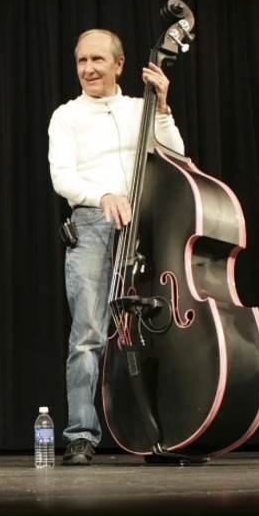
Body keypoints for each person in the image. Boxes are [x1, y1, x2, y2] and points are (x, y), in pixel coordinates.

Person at [47, 28, 185, 465]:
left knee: (161, 329)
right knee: (87, 333)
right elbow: (61, 177)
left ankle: (169, 425)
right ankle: (82, 435)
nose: (88, 69)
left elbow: (177, 160)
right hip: (92, 222)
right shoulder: (66, 116)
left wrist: (162, 110)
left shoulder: (138, 109)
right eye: (81, 61)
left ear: (120, 64)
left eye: (97, 60)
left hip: (146, 224)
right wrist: (102, 195)